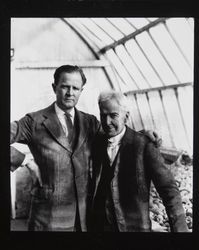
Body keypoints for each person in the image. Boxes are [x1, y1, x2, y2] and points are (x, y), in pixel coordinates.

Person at [10, 65, 160, 231]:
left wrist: (142, 135)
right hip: (48, 219)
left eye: (75, 88)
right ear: (55, 88)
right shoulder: (34, 121)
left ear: (81, 90)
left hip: (83, 218)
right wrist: (25, 161)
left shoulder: (90, 122)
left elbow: (115, 135)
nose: (70, 93)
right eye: (65, 87)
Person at [91, 91, 188, 232]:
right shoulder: (97, 143)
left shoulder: (144, 146)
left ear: (127, 117)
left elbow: (169, 190)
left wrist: (181, 232)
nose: (107, 122)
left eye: (113, 115)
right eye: (103, 115)